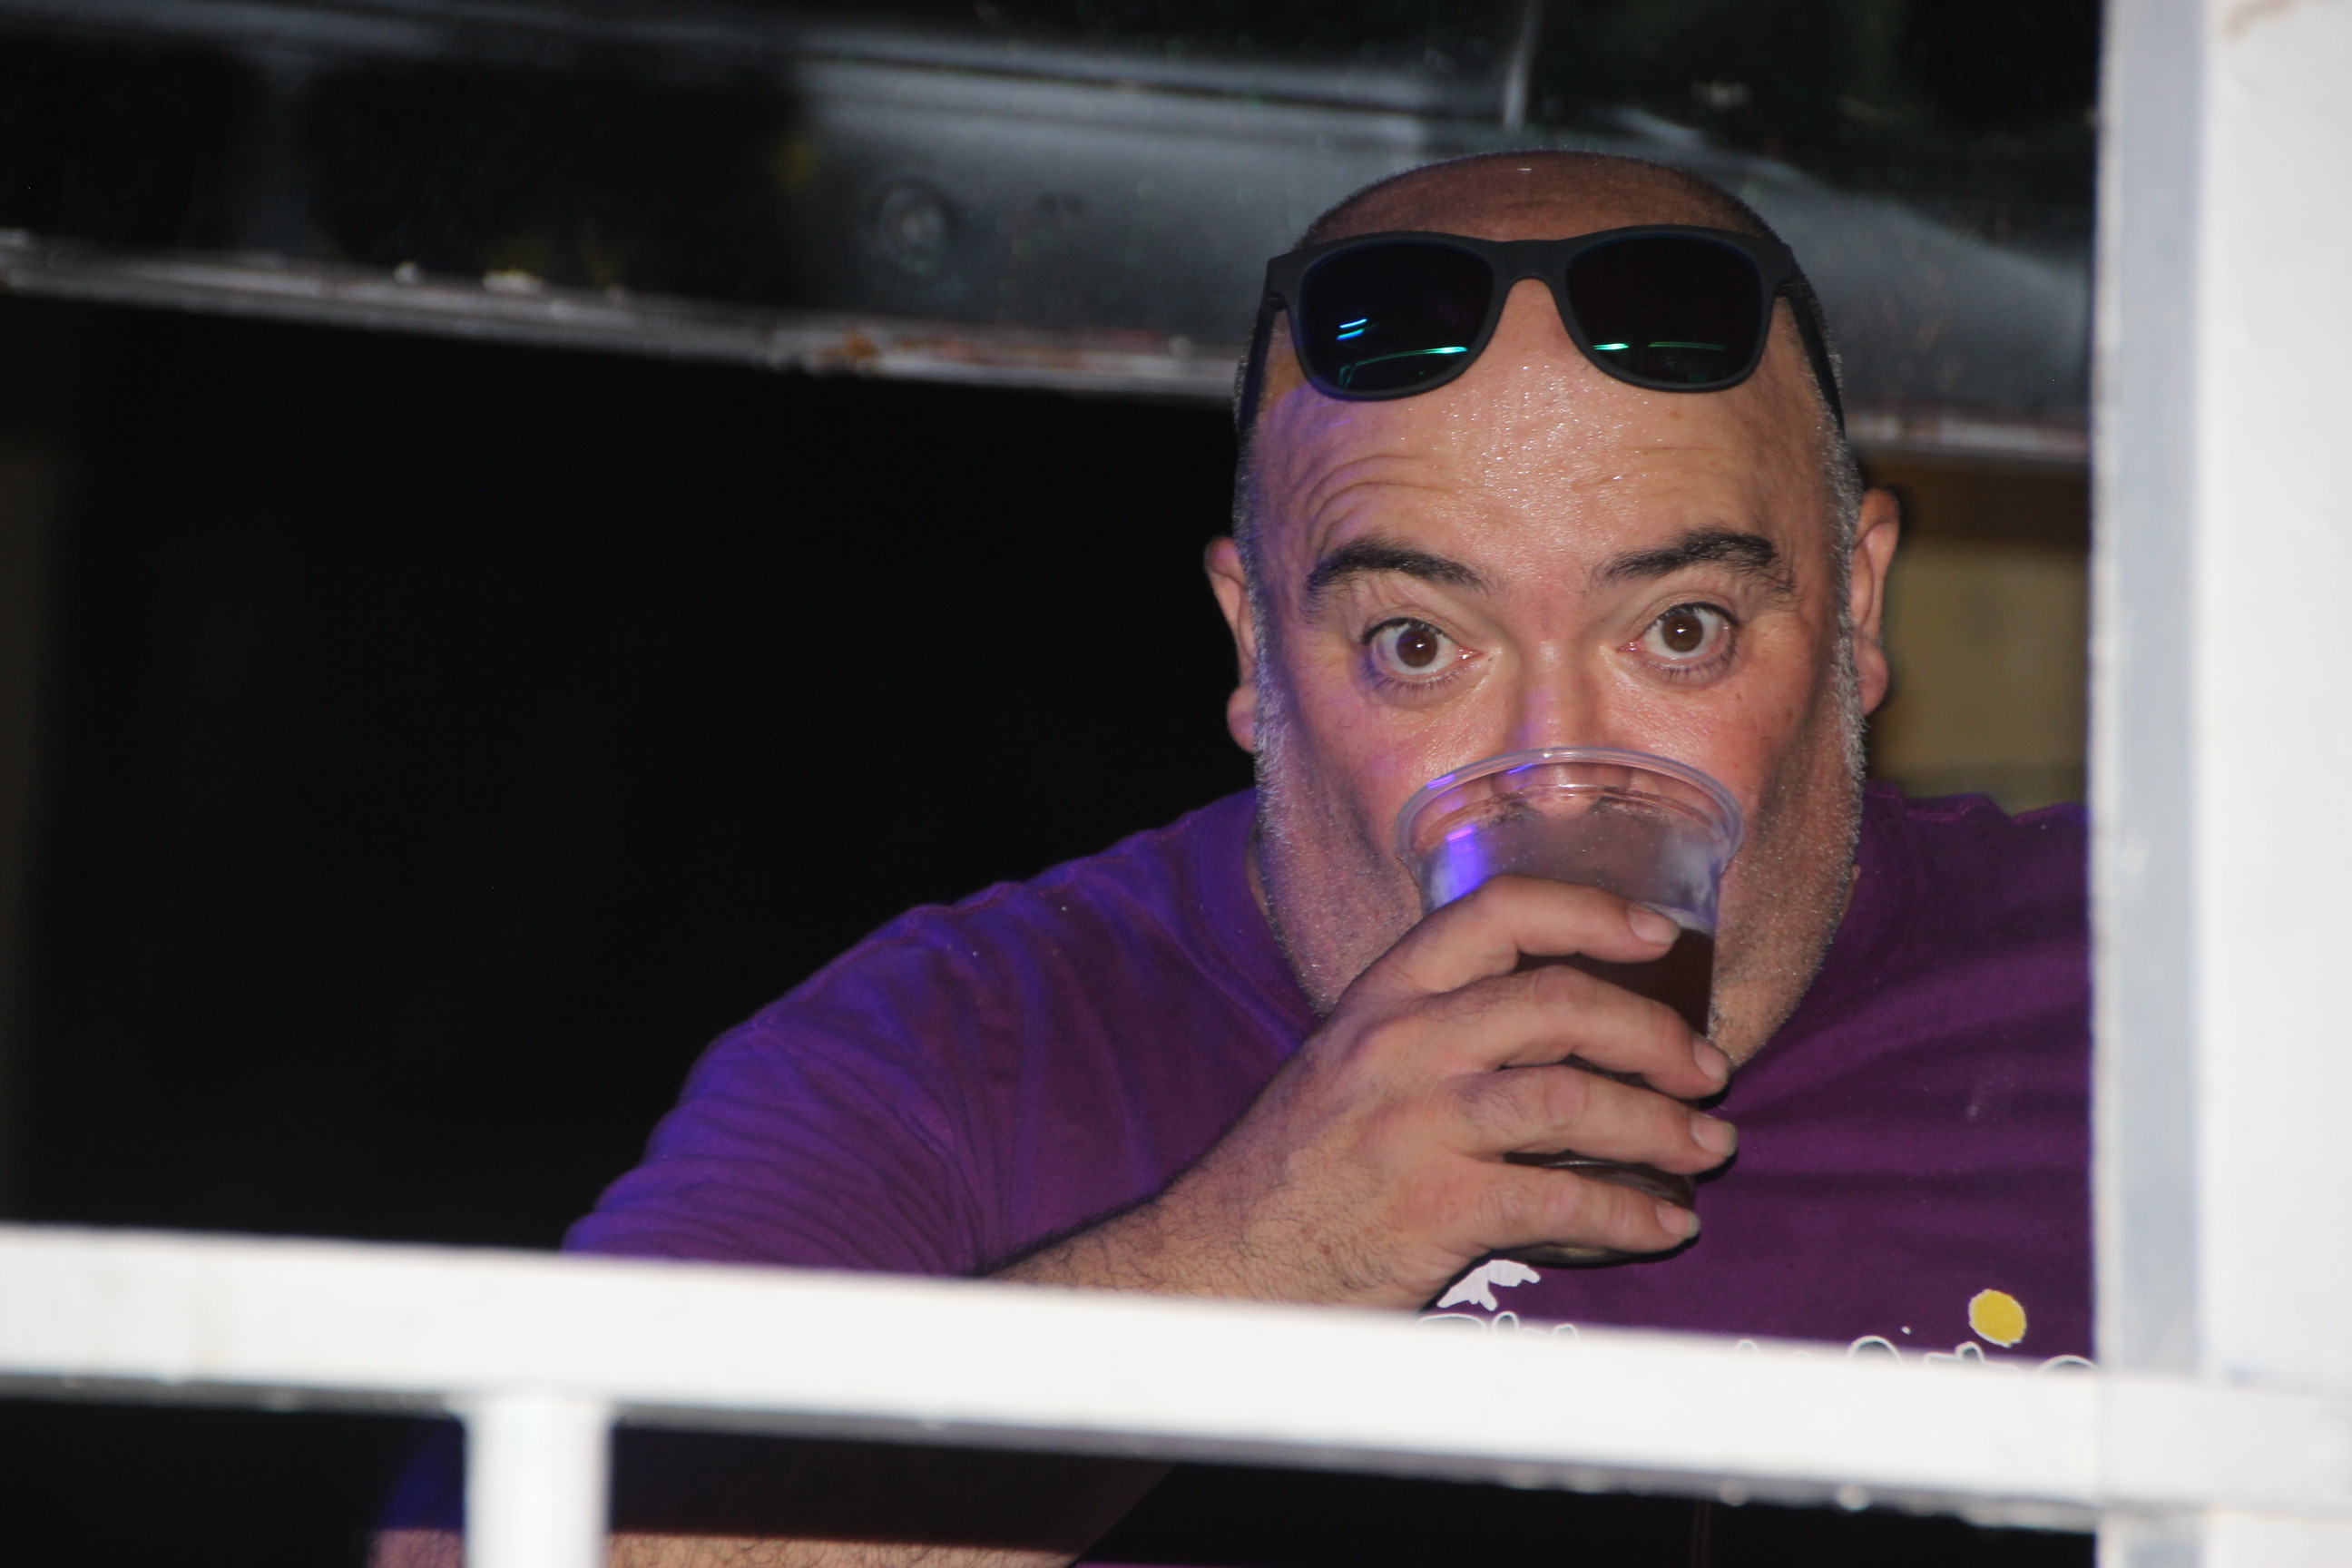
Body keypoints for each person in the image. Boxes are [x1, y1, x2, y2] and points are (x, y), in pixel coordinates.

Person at [376, 151, 2089, 1567]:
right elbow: (486, 1543)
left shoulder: (2140, 1001)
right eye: (1419, 643)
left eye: (1683, 627)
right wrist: (1250, 1264)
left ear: (1856, 608)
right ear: (1257, 648)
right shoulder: (961, 1052)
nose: (1555, 768)